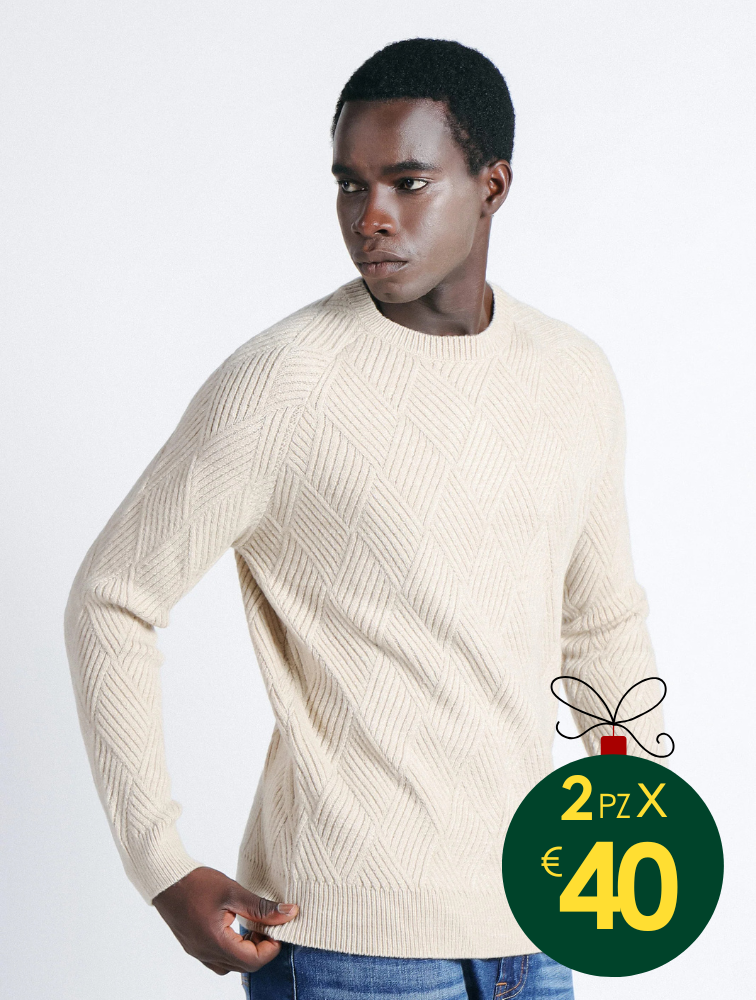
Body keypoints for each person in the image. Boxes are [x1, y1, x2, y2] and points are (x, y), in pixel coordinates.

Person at [64, 37, 663, 1000]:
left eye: (408, 183)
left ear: (493, 186)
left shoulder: (573, 376)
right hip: (348, 947)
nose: (370, 217)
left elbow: (599, 623)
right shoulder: (284, 382)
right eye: (351, 185)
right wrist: (160, 865)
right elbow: (114, 597)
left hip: (542, 918)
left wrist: (635, 823)